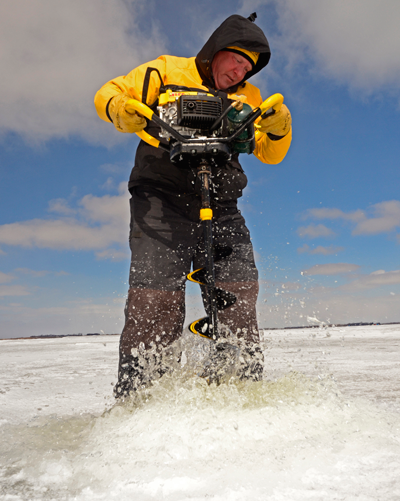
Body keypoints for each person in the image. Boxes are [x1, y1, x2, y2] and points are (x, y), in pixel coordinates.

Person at [94, 13, 292, 398]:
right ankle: (143, 399)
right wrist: (119, 108)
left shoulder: (250, 98)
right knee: (154, 299)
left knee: (236, 296)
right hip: (160, 200)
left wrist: (280, 126)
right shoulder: (165, 70)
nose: (239, 71)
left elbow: (270, 153)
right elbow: (108, 92)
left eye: (248, 68)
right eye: (236, 59)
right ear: (218, 48)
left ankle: (239, 393)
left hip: (222, 205)